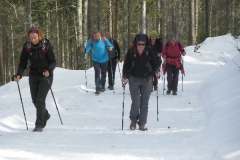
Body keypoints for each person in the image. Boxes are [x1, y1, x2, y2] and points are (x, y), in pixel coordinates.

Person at [12, 27, 56, 132]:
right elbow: (23, 62)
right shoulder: (27, 47)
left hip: (45, 76)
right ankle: (45, 115)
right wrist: (19, 74)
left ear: (39, 36)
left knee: (40, 100)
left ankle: (39, 124)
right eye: (31, 38)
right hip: (33, 75)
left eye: (35, 38)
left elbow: (53, 61)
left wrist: (48, 70)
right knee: (35, 100)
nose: (33, 40)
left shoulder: (46, 45)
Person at [122, 33, 160, 131]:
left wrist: (157, 71)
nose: (141, 46)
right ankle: (133, 120)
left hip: (147, 79)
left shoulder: (149, 51)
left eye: (143, 44)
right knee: (136, 102)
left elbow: (155, 64)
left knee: (144, 102)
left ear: (146, 44)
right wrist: (124, 75)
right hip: (134, 79)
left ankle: (142, 123)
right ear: (136, 44)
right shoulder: (131, 51)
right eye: (139, 44)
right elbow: (126, 65)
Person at [83, 30, 114, 95]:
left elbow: (111, 46)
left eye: (98, 36)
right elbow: (87, 50)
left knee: (103, 74)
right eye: (95, 36)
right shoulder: (91, 41)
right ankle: (97, 87)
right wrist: (84, 50)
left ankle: (102, 86)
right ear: (93, 36)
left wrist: (110, 48)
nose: (97, 37)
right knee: (97, 74)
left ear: (100, 35)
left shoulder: (104, 39)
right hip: (95, 60)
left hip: (104, 60)